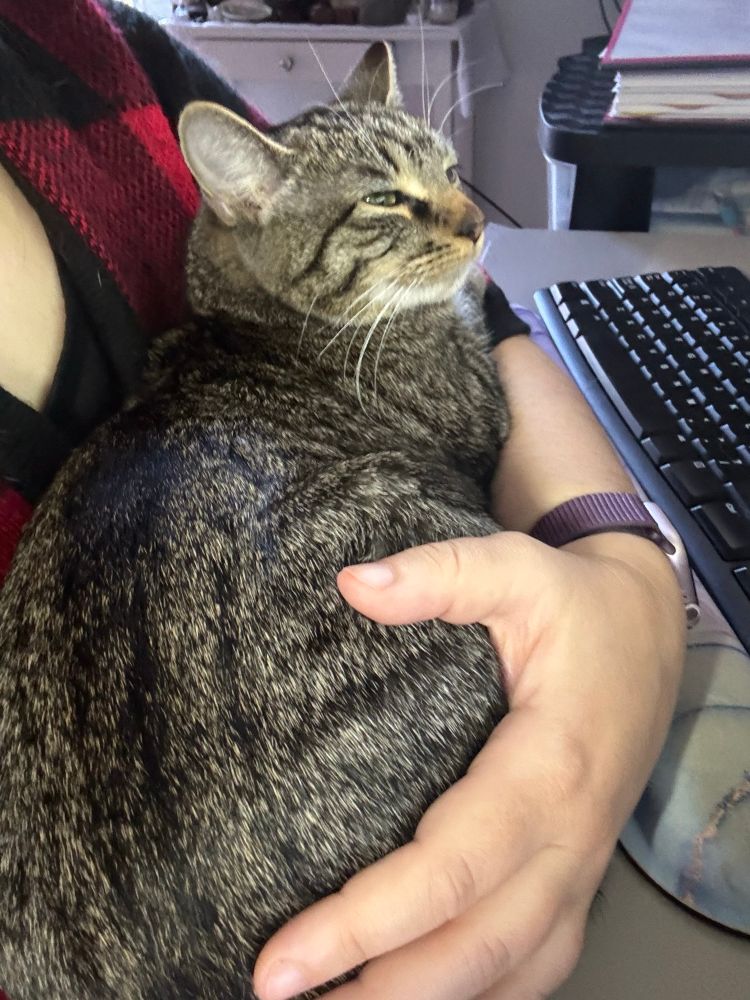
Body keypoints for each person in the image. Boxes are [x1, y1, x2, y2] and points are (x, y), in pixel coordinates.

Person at [0, 2, 685, 999]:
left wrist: (625, 575)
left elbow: (485, 307)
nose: (465, 220)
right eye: (395, 207)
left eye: (446, 182)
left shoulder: (94, 44)